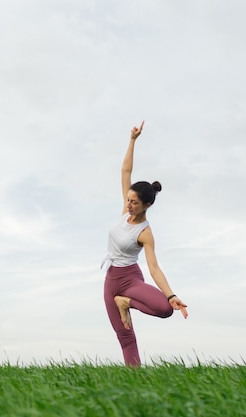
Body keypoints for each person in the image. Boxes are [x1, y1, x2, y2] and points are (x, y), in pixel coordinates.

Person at [102, 121, 188, 367]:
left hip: (130, 280)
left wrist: (171, 295)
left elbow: (154, 268)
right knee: (125, 336)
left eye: (134, 203)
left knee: (165, 309)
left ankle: (125, 302)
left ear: (147, 205)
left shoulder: (145, 233)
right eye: (128, 200)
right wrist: (132, 140)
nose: (128, 205)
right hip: (111, 280)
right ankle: (135, 383)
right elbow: (125, 172)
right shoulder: (123, 212)